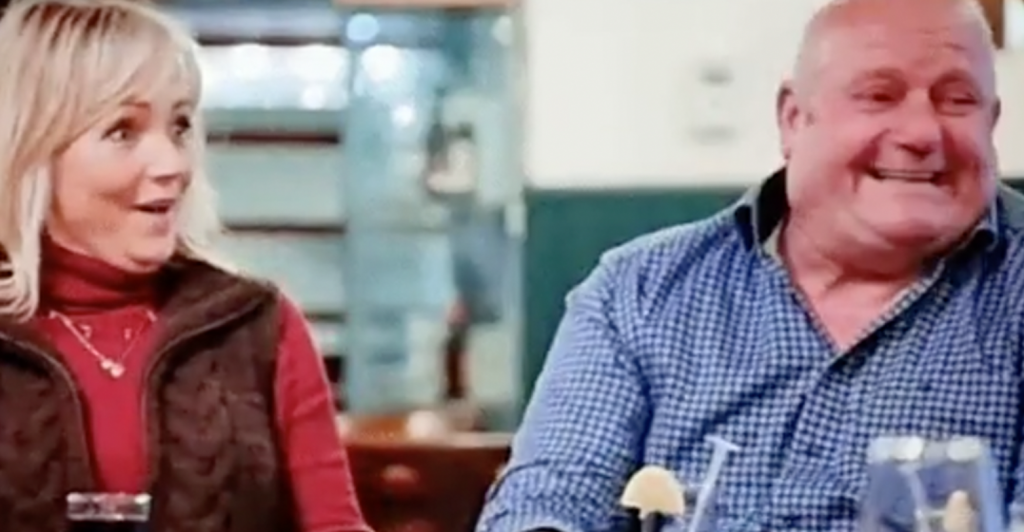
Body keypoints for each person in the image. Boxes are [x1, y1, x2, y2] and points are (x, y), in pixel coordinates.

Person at [477, 0, 1024, 531]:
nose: (923, 133)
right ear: (793, 119)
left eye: (958, 101)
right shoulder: (637, 293)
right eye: (879, 96)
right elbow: (548, 502)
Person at [0, 1, 370, 532]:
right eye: (123, 131)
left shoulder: (259, 326)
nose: (173, 164)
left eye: (178, 127)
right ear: (34, 150)